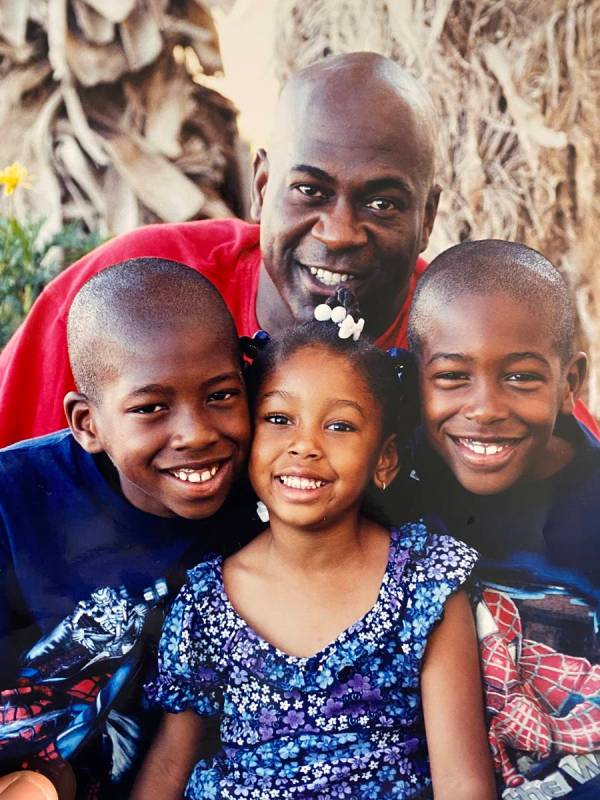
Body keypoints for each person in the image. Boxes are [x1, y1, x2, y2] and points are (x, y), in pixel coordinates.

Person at [131, 293, 496, 800]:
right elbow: (171, 763)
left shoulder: (425, 582)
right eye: (279, 419)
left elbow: (463, 782)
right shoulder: (206, 604)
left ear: (384, 461)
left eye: (340, 425)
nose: (305, 445)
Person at [0, 51, 441, 447]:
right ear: (262, 189)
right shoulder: (132, 288)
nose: (339, 233)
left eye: (383, 204)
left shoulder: (455, 347)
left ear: (426, 219)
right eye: (309, 190)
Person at [0, 258, 259, 798]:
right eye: (151, 407)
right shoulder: (13, 503)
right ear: (86, 423)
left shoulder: (266, 502)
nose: (195, 433)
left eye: (220, 395)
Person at [406, 240, 600, 798]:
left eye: (520, 377)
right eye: (451, 377)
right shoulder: (393, 486)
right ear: (412, 382)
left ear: (569, 383)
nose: (486, 407)